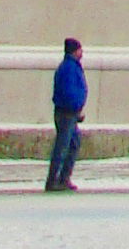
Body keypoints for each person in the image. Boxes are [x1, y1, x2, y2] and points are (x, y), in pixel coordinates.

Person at [46, 38, 86, 191]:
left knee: (72, 144)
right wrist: (75, 108)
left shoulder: (71, 66)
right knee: (62, 147)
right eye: (80, 49)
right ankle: (54, 180)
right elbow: (69, 92)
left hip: (70, 113)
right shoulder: (69, 68)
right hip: (67, 113)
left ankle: (63, 178)